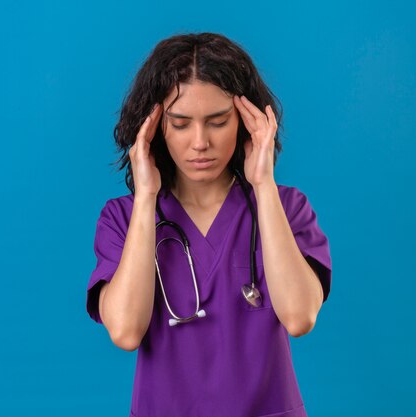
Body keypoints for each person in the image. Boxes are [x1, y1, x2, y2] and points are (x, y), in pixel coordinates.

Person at [85, 32, 332, 417]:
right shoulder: (124, 218)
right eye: (180, 124)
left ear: (246, 121)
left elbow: (300, 318)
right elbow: (126, 331)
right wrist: (147, 196)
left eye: (217, 121)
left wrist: (263, 185)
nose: (200, 142)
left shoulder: (287, 208)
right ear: (153, 128)